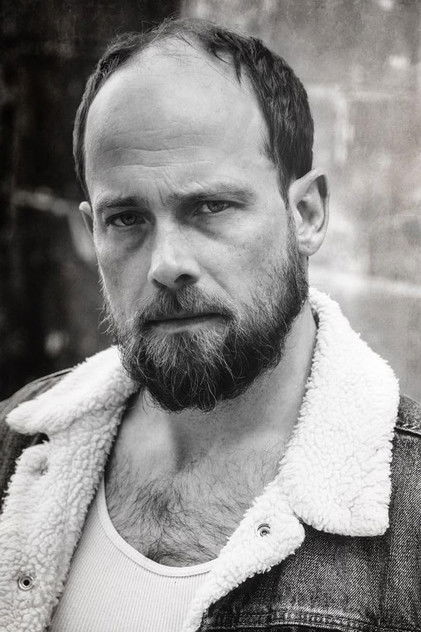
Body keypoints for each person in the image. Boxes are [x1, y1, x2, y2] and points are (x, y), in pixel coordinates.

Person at [0, 17, 420, 632]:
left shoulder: (409, 514)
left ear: (305, 214)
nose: (167, 264)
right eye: (126, 219)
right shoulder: (17, 449)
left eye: (210, 207)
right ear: (91, 231)